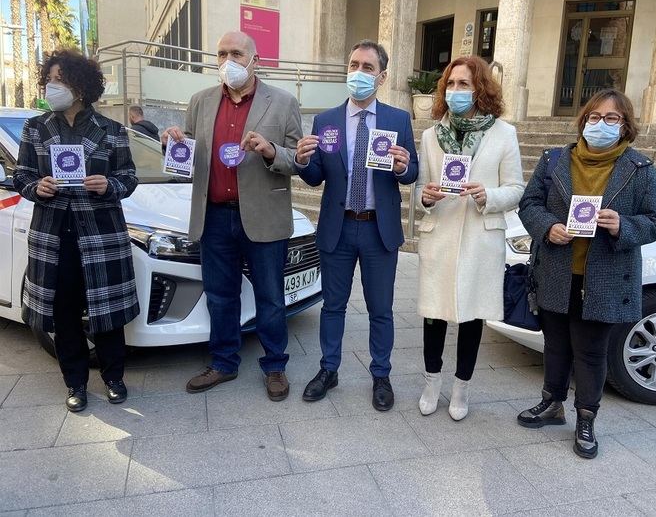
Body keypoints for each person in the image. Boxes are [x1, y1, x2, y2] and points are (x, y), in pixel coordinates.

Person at [516, 88, 656, 458]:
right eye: (594, 117)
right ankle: (551, 403)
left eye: (612, 118)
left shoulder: (639, 169)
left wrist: (622, 226)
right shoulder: (555, 161)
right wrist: (548, 227)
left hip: (604, 277)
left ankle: (586, 417)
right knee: (555, 345)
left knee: (590, 352)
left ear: (625, 125)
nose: (601, 124)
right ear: (583, 121)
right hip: (556, 270)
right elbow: (529, 203)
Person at [163, 31, 301, 401]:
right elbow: (188, 156)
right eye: (221, 53)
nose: (228, 60)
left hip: (263, 216)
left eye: (236, 53)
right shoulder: (200, 101)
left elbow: (299, 161)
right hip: (214, 216)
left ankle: (275, 366)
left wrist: (271, 151)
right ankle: (224, 362)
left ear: (255, 59)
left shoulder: (283, 101)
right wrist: (174, 142)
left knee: (271, 296)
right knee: (221, 296)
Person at [14, 50, 140, 412]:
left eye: (61, 79)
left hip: (100, 234)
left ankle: (114, 377)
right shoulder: (35, 127)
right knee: (64, 312)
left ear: (81, 86)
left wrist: (108, 185)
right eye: (50, 78)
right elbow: (21, 174)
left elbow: (129, 177)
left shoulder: (112, 130)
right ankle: (75, 383)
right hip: (54, 235)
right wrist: (36, 187)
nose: (53, 86)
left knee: (106, 311)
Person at [295, 40, 418, 411]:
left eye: (367, 67)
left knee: (381, 309)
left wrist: (402, 167)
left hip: (379, 230)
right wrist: (303, 161)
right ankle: (328, 369)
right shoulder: (326, 120)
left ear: (381, 76)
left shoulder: (398, 120)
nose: (358, 72)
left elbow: (411, 172)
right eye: (353, 64)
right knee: (333, 306)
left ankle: (381, 374)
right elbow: (316, 177)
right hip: (339, 227)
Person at [415, 55, 525, 421]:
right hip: (441, 236)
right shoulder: (431, 135)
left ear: (480, 88)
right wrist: (427, 197)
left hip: (480, 237)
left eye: (464, 84)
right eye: (451, 84)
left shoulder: (503, 134)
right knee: (434, 315)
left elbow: (516, 188)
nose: (456, 91)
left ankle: (461, 388)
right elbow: (420, 191)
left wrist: (488, 195)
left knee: (472, 317)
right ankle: (432, 383)